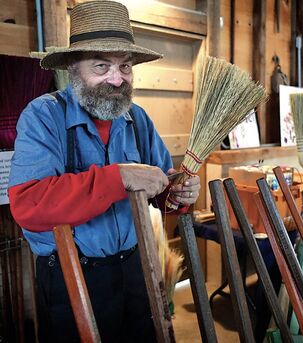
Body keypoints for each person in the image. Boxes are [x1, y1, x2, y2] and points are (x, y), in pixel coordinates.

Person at [7, 1, 200, 342]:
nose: (117, 78)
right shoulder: (43, 117)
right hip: (71, 277)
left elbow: (163, 189)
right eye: (101, 66)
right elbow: (29, 205)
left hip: (135, 268)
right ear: (74, 68)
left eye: (125, 66)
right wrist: (119, 177)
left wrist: (178, 195)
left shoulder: (137, 119)